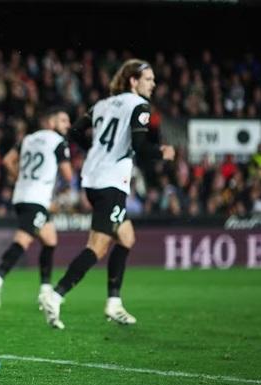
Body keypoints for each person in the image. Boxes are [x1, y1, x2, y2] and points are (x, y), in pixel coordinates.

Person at [38, 59, 175, 329]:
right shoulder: (139, 106)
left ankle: (114, 303)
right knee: (97, 247)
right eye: (148, 79)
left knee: (126, 237)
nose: (153, 83)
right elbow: (138, 145)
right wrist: (162, 152)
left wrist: (97, 149)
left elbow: (74, 130)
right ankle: (56, 294)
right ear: (133, 81)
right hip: (111, 182)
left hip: (93, 178)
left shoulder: (102, 104)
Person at [0, 107, 73, 308]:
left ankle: (45, 291)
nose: (67, 124)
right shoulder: (58, 142)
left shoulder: (28, 139)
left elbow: (7, 160)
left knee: (50, 240)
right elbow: (68, 175)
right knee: (23, 239)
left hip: (22, 194)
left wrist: (20, 177)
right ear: (51, 123)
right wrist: (54, 191)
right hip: (37, 198)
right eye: (63, 120)